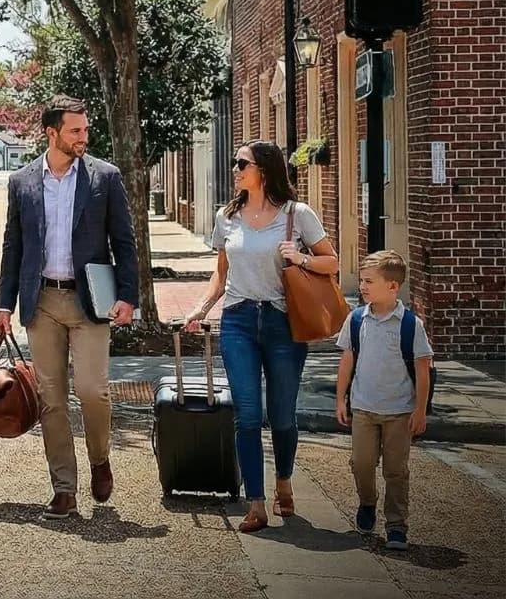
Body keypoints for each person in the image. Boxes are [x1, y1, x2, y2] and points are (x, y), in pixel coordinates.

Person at [0, 95, 138, 520]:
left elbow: (125, 243)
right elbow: (13, 245)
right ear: (52, 133)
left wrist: (128, 296)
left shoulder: (104, 178)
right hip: (41, 301)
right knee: (51, 399)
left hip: (90, 301)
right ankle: (64, 489)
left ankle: (99, 458)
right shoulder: (21, 181)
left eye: (86, 130)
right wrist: (4, 303)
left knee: (92, 391)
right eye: (75, 130)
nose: (83, 137)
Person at [184, 140, 338, 532]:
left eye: (242, 163)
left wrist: (300, 257)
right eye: (236, 163)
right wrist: (201, 308)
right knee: (247, 415)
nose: (235, 169)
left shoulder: (296, 214)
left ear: (264, 170)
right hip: (237, 321)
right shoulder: (227, 216)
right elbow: (221, 272)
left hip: (283, 324)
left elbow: (331, 262)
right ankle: (256, 502)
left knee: (283, 416)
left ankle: (283, 479)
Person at [335, 250, 433, 551]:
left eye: (369, 281)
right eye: (361, 281)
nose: (362, 287)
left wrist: (419, 410)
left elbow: (422, 368)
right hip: (363, 407)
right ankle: (367, 502)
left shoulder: (409, 325)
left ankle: (396, 526)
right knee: (360, 463)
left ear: (392, 286)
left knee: (396, 470)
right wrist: (341, 398)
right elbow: (347, 359)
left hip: (399, 412)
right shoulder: (356, 319)